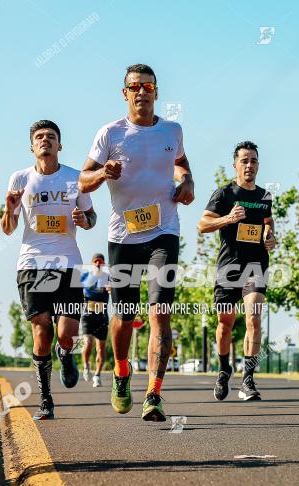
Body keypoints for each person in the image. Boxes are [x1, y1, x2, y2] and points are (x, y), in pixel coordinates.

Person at [78, 63, 195, 422]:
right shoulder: (110, 133)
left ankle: (155, 394)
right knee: (125, 318)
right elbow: (82, 181)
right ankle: (122, 371)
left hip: (165, 231)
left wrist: (187, 181)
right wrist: (101, 173)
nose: (142, 91)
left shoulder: (172, 130)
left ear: (156, 92)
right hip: (123, 236)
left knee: (161, 312)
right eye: (135, 86)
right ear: (124, 93)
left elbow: (180, 162)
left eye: (148, 86)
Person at [1, 120, 97, 420]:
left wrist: (84, 219)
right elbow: (8, 229)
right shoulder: (19, 179)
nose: (45, 141)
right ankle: (46, 400)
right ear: (32, 146)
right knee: (41, 332)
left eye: (51, 137)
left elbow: (92, 217)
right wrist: (8, 208)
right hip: (32, 264)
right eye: (40, 137)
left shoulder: (75, 178)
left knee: (66, 334)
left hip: (68, 263)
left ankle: (66, 354)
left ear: (59, 145)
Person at [197, 141, 276, 401]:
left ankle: (248, 380)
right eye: (244, 160)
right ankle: (223, 370)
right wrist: (228, 219)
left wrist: (270, 235)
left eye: (253, 160)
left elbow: (267, 221)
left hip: (256, 265)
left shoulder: (264, 196)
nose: (249, 165)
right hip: (229, 266)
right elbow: (203, 224)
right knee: (225, 324)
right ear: (236, 165)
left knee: (253, 318)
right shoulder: (224, 194)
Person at [80, 253, 111, 387]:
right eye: (96, 261)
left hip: (102, 316)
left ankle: (97, 375)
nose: (98, 263)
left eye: (100, 261)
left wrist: (111, 290)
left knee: (100, 348)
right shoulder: (85, 276)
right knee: (87, 343)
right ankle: (86, 366)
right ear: (92, 263)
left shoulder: (107, 278)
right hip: (88, 315)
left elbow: (113, 291)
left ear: (103, 264)